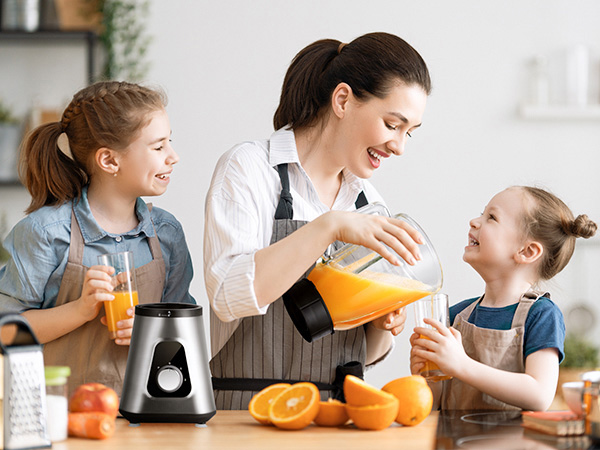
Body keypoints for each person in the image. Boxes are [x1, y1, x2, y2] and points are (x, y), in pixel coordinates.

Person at [204, 32, 432, 409]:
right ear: (342, 99)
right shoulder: (249, 169)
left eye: (409, 133)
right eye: (393, 125)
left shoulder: (370, 203)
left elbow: (366, 355)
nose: (399, 146)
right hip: (245, 415)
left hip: (334, 418)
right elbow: (228, 296)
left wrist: (380, 325)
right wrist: (329, 226)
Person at [0, 81, 195, 395]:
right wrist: (79, 310)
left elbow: (185, 332)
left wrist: (154, 331)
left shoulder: (166, 233)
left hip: (147, 415)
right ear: (109, 161)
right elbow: (7, 332)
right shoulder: (46, 233)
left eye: (169, 142)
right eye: (158, 147)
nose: (173, 156)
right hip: (62, 418)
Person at [410, 186, 597, 411]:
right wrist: (426, 374)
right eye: (482, 213)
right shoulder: (454, 315)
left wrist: (461, 364)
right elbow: (436, 404)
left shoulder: (541, 315)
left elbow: (539, 395)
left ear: (527, 251)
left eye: (491, 217)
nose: (474, 221)